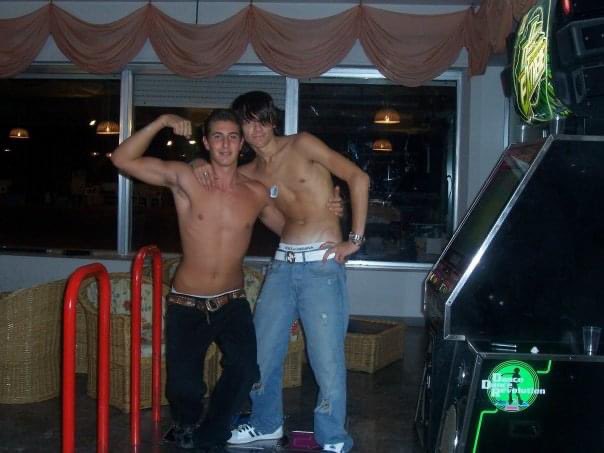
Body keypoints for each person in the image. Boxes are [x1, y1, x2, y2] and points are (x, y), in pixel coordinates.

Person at [196, 91, 369, 453]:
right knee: (260, 354)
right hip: (282, 266)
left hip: (321, 266)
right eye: (247, 123)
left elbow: (358, 178)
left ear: (273, 121)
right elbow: (276, 220)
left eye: (262, 120)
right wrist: (199, 162)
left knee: (326, 360)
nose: (256, 129)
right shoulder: (248, 174)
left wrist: (353, 239)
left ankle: (333, 438)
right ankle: (266, 424)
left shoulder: (302, 144)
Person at [109, 109, 285, 451]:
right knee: (183, 386)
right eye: (217, 136)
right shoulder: (186, 178)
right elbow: (121, 159)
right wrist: (161, 122)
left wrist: (327, 211)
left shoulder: (256, 192)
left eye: (232, 137)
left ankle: (214, 430)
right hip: (187, 302)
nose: (225, 144)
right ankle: (186, 422)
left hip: (232, 301)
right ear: (205, 142)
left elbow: (289, 228)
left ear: (242, 143)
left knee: (245, 370)